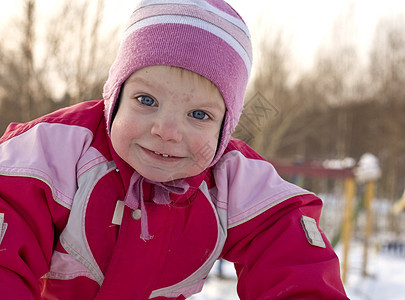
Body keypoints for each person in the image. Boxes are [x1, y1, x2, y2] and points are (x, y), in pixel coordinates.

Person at [0, 0, 349, 299]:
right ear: (115, 97)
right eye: (146, 100)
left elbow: (292, 252)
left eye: (199, 114)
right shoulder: (54, 152)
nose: (166, 132)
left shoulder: (230, 178)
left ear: (223, 128)